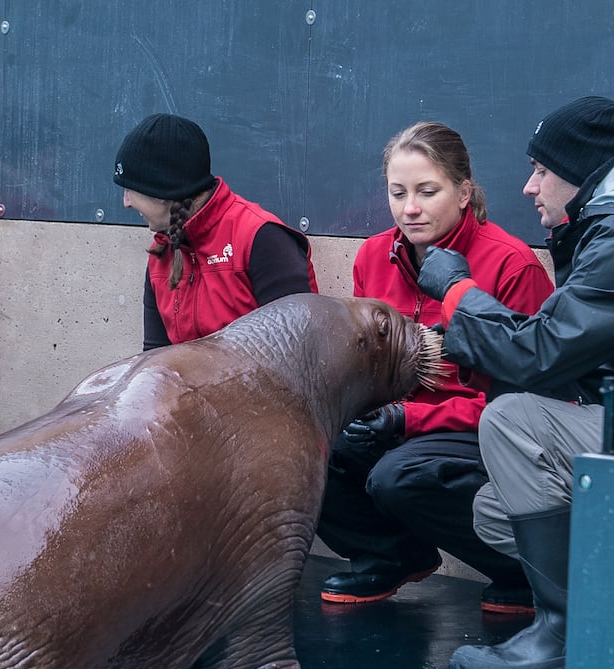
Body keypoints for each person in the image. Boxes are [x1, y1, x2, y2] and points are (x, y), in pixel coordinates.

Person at [317, 122, 554, 613]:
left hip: (483, 429)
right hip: (399, 422)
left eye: (428, 191)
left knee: (399, 476)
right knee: (308, 449)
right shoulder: (372, 256)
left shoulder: (513, 265)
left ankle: (522, 572)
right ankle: (391, 555)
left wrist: (408, 419)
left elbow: (525, 405)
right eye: (397, 192)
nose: (410, 208)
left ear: (464, 192)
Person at [417, 96, 614, 669]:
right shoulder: (595, 230)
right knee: (492, 511)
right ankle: (596, 624)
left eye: (543, 170)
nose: (530, 187)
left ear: (583, 174)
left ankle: (560, 632)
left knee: (512, 420)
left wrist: (457, 295)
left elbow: (538, 355)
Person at [112, 113, 318, 350]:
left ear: (162, 190)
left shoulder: (261, 238)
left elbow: (299, 352)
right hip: (191, 386)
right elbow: (155, 364)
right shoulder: (161, 254)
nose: (125, 202)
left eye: (130, 189)